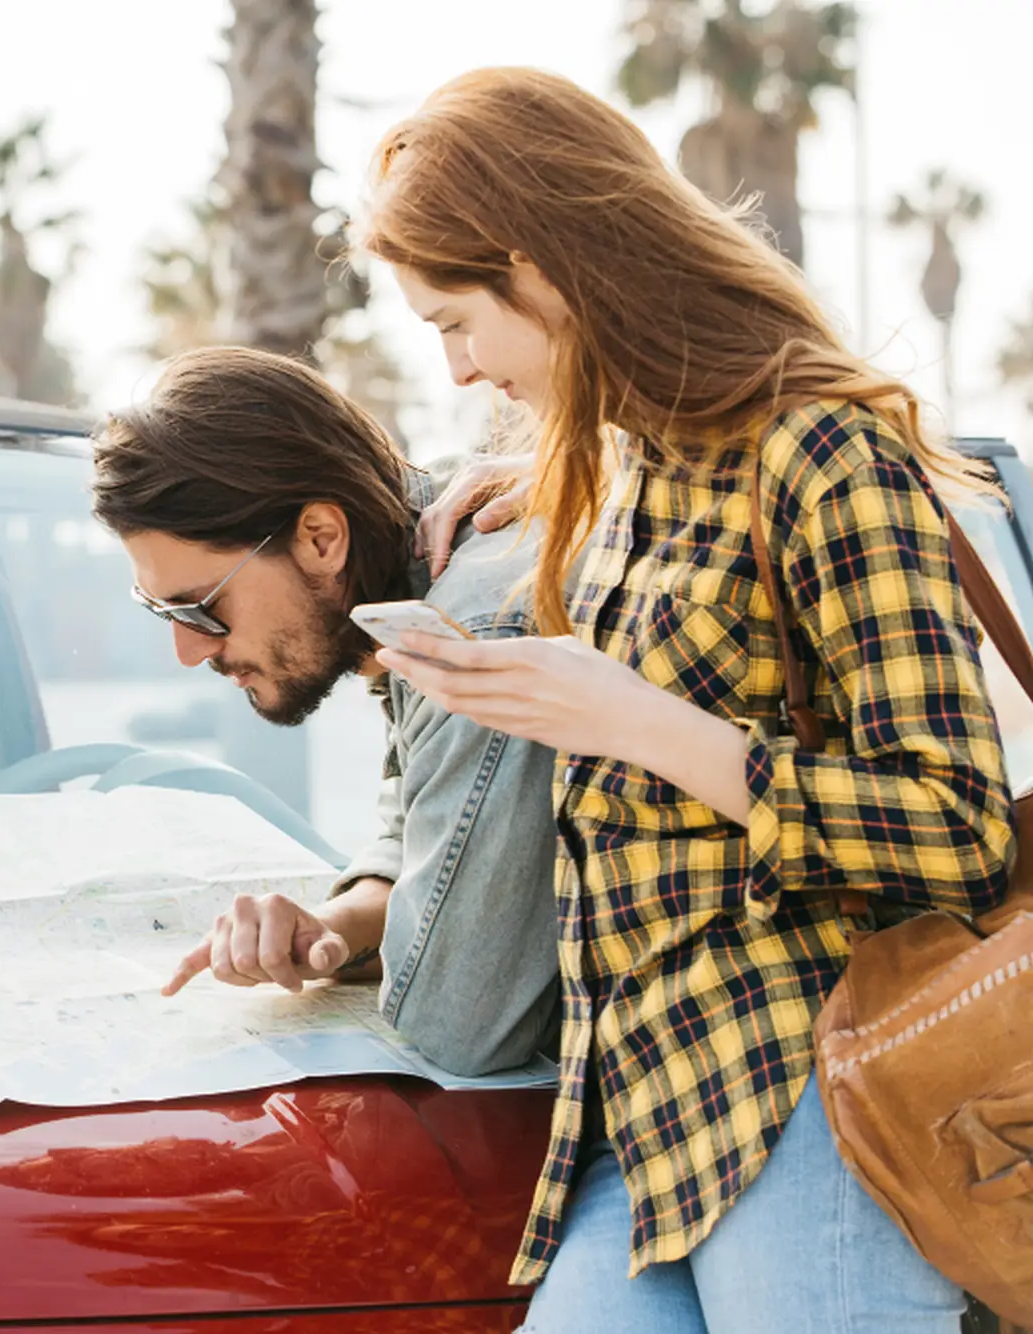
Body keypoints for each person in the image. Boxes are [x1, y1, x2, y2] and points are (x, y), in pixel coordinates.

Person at [357, 69, 1014, 1331]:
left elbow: (956, 821)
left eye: (452, 322)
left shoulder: (818, 447)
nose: (450, 369)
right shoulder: (624, 479)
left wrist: (632, 721)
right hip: (639, 1116)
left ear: (536, 268)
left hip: (807, 1091)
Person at [92, 345, 560, 1077]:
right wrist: (335, 928)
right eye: (159, 611)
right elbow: (416, 834)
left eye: (202, 607)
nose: (188, 651)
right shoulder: (400, 598)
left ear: (320, 538)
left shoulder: (473, 625)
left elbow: (460, 1024)